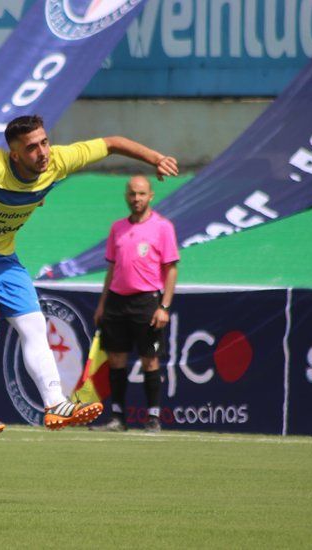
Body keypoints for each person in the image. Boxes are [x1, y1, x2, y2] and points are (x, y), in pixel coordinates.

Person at [0, 115, 179, 436]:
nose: (43, 152)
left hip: (3, 255)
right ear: (15, 154)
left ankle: (55, 404)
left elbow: (113, 143)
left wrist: (156, 158)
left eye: (44, 142)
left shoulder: (59, 160)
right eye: (32, 148)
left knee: (34, 325)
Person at [91, 175, 179, 433]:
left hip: (147, 301)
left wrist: (164, 306)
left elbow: (171, 269)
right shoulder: (117, 227)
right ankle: (118, 417)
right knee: (116, 358)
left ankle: (153, 418)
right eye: (132, 194)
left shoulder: (163, 227)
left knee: (149, 359)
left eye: (141, 194)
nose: (136, 198)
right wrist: (102, 305)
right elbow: (112, 268)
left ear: (151, 195)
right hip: (117, 301)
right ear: (126, 196)